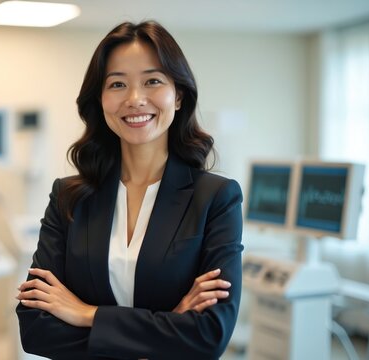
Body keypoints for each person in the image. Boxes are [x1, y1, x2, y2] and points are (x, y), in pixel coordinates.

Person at [16, 20, 243, 360]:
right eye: (117, 84)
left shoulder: (216, 199)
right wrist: (170, 325)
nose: (135, 99)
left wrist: (85, 313)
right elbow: (35, 330)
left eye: (152, 81)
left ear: (178, 95)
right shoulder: (68, 197)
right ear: (101, 99)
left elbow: (209, 335)